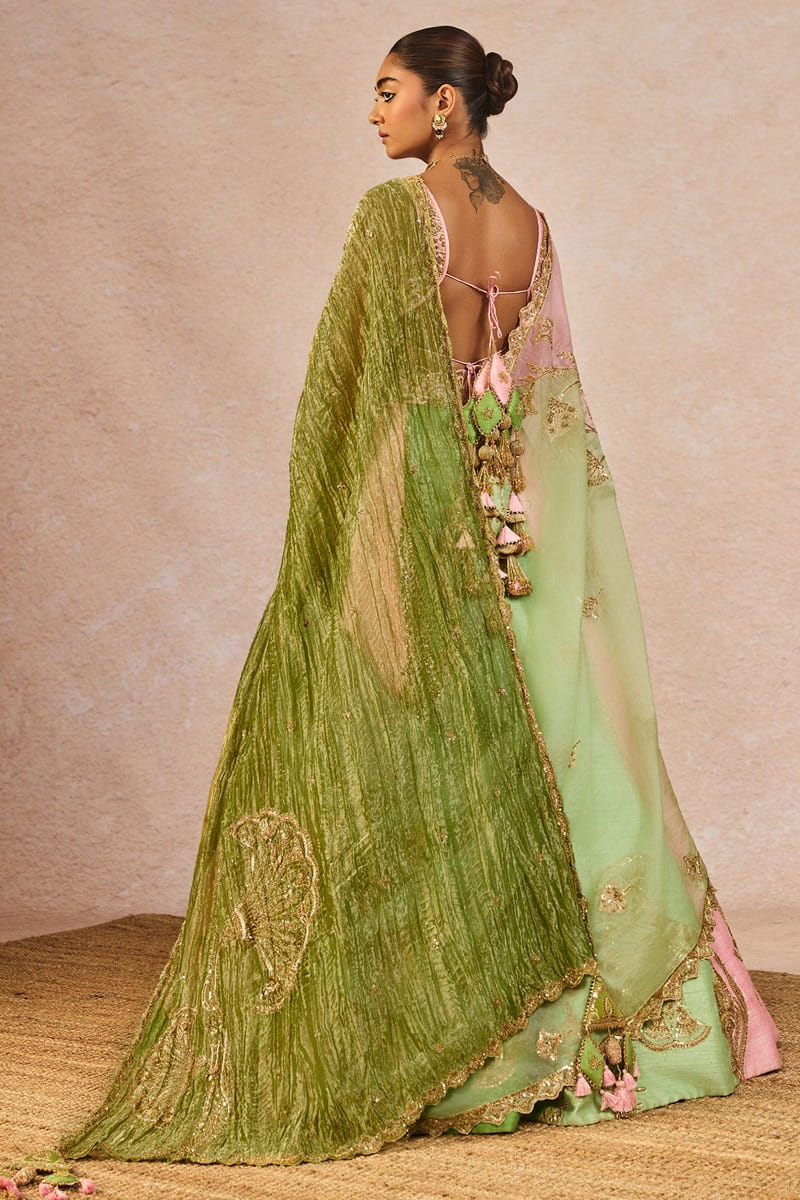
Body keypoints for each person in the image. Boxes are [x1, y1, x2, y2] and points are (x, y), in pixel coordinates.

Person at [52, 25, 780, 1168]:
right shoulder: (532, 225)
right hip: (526, 533)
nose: (372, 112)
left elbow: (358, 400)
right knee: (561, 763)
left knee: (424, 763)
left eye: (386, 90)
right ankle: (619, 1034)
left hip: (422, 521)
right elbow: (540, 403)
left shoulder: (396, 218)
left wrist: (345, 549)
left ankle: (463, 1029)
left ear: (444, 103)